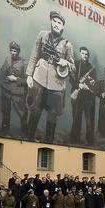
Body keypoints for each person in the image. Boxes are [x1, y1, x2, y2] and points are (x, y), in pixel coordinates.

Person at [25, 10, 75, 143]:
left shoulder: (67, 45)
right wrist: (29, 75)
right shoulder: (42, 35)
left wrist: (64, 62)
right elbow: (34, 55)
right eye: (55, 21)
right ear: (51, 22)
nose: (57, 24)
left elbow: (73, 67)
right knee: (35, 109)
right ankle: (28, 139)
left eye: (60, 22)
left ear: (63, 26)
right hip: (39, 78)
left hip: (56, 84)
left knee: (52, 115)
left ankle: (48, 144)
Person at [69, 46, 97, 145]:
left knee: (89, 121)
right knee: (76, 118)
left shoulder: (92, 68)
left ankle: (89, 141)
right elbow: (71, 79)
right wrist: (79, 85)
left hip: (88, 97)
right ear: (80, 54)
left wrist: (91, 83)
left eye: (86, 54)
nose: (85, 56)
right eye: (83, 54)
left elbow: (95, 84)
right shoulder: (75, 64)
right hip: (78, 96)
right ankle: (75, 140)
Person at [0, 42, 27, 136]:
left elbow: (27, 80)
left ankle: (24, 133)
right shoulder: (7, 60)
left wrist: (16, 79)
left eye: (15, 51)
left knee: (22, 113)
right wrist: (4, 85)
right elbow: (2, 74)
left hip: (18, 93)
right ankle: (4, 131)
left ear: (18, 52)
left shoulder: (23, 63)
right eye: (11, 50)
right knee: (5, 111)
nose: (13, 53)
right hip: (6, 91)